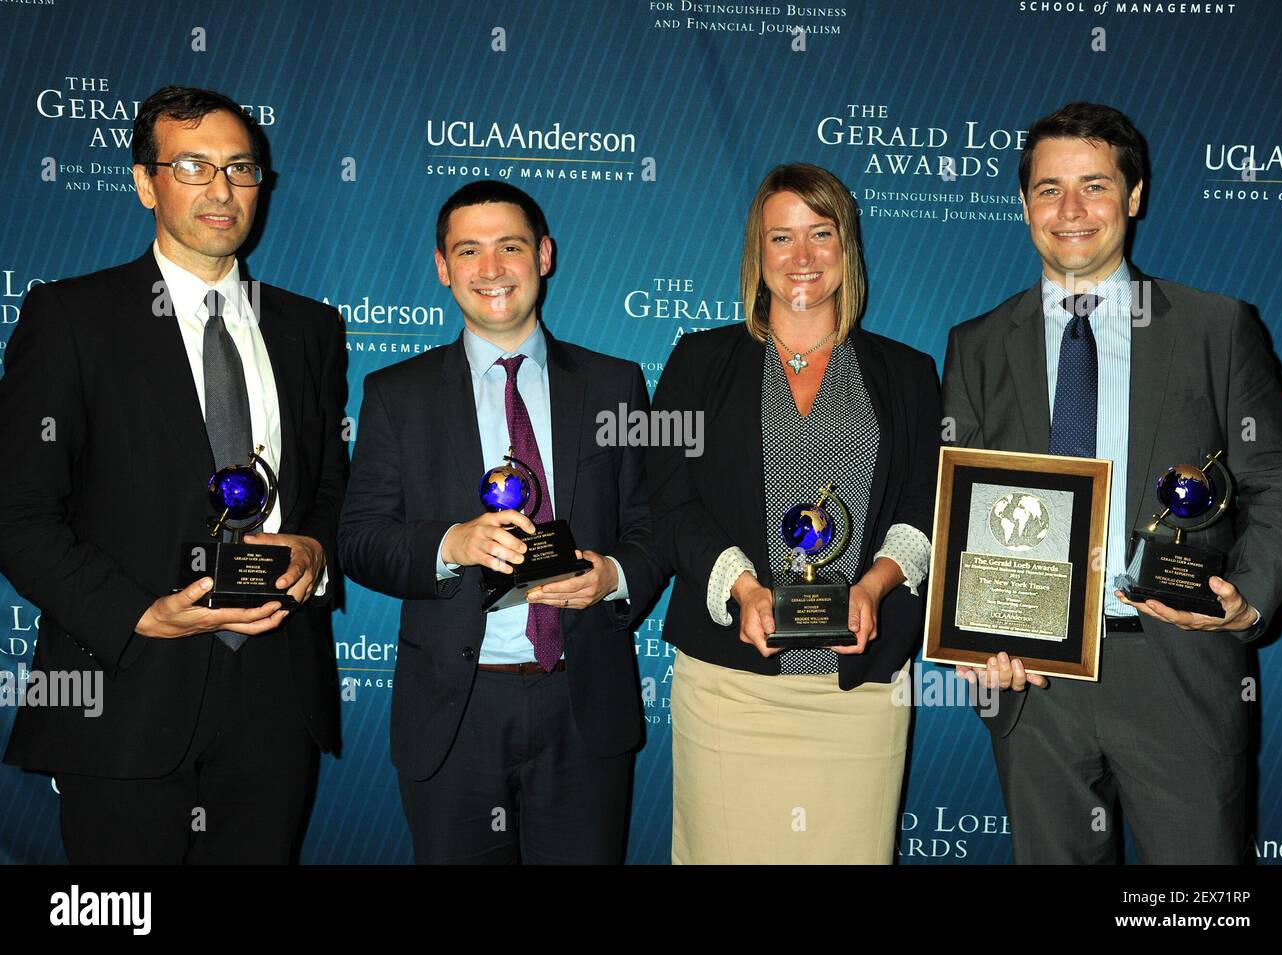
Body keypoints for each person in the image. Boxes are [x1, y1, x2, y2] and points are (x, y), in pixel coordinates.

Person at [943, 101, 1282, 864]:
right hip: (1033, 683)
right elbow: (961, 504)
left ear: (1134, 196)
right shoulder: (973, 344)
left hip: (1178, 667)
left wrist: (1248, 599)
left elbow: (1277, 479)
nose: (1070, 210)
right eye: (1048, 189)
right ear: (1022, 203)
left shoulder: (1217, 326)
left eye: (1094, 185)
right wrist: (975, 635)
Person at [0, 86, 348, 863]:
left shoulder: (309, 328)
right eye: (193, 165)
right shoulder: (71, 318)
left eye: (240, 167)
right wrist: (139, 614)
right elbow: (16, 513)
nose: (222, 189)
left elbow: (331, 488)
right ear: (143, 181)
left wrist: (316, 552)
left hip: (274, 697)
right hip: (125, 692)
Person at [338, 180, 660, 864]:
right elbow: (359, 540)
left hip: (583, 697)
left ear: (543, 255)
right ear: (442, 267)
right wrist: (448, 544)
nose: (491, 269)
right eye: (469, 250)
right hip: (457, 708)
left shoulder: (615, 384)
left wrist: (613, 574)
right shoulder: (395, 395)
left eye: (510, 247)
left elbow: (653, 525)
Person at [647, 163, 940, 864]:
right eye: (782, 238)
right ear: (759, 253)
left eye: (821, 234)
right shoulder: (699, 359)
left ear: (848, 248)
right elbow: (665, 496)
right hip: (730, 686)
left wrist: (873, 586)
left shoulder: (909, 371)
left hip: (860, 693)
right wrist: (743, 588)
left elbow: (924, 505)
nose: (802, 257)